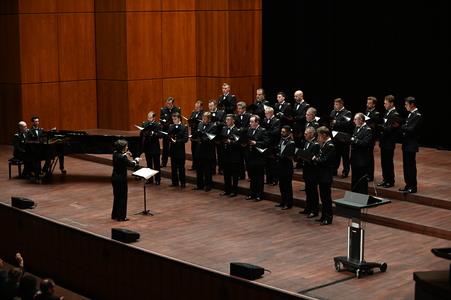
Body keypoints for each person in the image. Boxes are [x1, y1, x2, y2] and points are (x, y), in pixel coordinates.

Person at [111, 139, 140, 221]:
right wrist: (136, 160)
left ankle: (115, 215)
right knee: (122, 197)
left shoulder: (115, 153)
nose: (127, 147)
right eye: (126, 146)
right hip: (121, 179)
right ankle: (121, 217)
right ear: (123, 148)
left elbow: (121, 157)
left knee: (117, 196)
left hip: (114, 177)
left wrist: (125, 154)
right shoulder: (122, 157)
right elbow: (132, 164)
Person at [312, 126, 336, 225]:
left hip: (326, 175)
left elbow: (324, 160)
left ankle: (328, 217)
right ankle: (323, 216)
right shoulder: (325, 144)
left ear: (324, 135)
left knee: (326, 198)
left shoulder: (330, 145)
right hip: (322, 174)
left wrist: (315, 159)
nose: (318, 138)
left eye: (319, 136)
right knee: (323, 196)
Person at [399, 96, 422, 193]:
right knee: (406, 165)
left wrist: (402, 127)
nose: (405, 106)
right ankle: (408, 184)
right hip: (406, 143)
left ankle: (413, 186)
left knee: (411, 166)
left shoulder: (417, 115)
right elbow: (407, 126)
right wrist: (405, 127)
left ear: (412, 104)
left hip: (411, 144)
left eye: (406, 104)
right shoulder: (410, 114)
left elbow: (411, 129)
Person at [377, 95, 401, 188]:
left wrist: (380, 127)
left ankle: (390, 181)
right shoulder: (387, 112)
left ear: (391, 103)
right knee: (384, 162)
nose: (384, 105)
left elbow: (390, 129)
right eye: (384, 103)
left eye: (386, 103)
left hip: (389, 142)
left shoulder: (395, 114)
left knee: (388, 162)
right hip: (384, 141)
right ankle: (385, 179)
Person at [244, 115, 269, 201]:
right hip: (250, 156)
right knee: (252, 176)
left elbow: (266, 142)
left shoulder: (263, 131)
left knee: (259, 177)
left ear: (257, 122)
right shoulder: (249, 130)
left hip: (259, 157)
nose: (250, 123)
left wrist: (256, 143)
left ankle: (259, 195)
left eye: (252, 122)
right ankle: (252, 193)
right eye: (250, 121)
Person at [298, 126, 320, 217]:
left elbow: (314, 157)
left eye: (306, 134)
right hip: (306, 169)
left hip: (312, 171)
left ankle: (314, 210)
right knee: (308, 190)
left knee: (313, 191)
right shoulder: (306, 142)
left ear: (311, 134)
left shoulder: (316, 144)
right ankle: (308, 208)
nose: (304, 135)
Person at [193, 112, 217, 192]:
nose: (203, 120)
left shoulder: (213, 126)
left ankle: (208, 185)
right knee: (199, 169)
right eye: (203, 118)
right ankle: (199, 185)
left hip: (208, 151)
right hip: (199, 149)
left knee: (207, 169)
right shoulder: (200, 124)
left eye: (205, 118)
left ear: (209, 119)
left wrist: (202, 137)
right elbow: (198, 133)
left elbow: (211, 137)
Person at [329, 98, 352, 178]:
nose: (335, 106)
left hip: (343, 138)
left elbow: (347, 124)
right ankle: (334, 170)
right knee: (335, 155)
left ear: (341, 104)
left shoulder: (347, 113)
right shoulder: (333, 112)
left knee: (345, 156)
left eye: (336, 104)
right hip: (334, 138)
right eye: (334, 104)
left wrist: (336, 122)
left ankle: (345, 171)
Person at [350, 113, 373, 194]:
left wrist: (354, 140)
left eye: (355, 119)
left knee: (361, 178)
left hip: (362, 159)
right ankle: (353, 194)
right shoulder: (356, 128)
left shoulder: (367, 130)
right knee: (354, 177)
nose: (354, 121)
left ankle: (362, 195)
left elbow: (365, 143)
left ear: (361, 120)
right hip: (354, 157)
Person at [219, 115, 242, 197]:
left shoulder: (237, 130)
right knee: (226, 174)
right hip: (225, 154)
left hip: (234, 155)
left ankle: (234, 191)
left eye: (228, 120)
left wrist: (230, 142)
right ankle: (227, 190)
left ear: (233, 121)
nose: (227, 121)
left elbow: (239, 143)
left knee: (234, 175)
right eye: (226, 119)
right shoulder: (224, 129)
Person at [274, 126, 296, 209]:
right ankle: (283, 201)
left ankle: (288, 203)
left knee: (287, 186)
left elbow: (289, 155)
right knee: (281, 185)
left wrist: (281, 154)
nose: (281, 133)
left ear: (288, 132)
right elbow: (278, 148)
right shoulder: (281, 140)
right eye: (281, 131)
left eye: (283, 132)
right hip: (280, 165)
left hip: (287, 167)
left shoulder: (291, 142)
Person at [140, 111, 162, 185]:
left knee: (157, 165)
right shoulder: (145, 124)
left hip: (155, 147)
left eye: (150, 117)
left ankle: (157, 179)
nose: (149, 119)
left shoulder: (157, 125)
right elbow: (141, 134)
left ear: (154, 118)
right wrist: (143, 132)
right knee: (149, 164)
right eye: (148, 117)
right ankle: (150, 179)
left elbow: (160, 135)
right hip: (147, 147)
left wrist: (153, 133)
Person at [168, 113, 188, 187]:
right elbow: (168, 136)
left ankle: (182, 183)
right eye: (173, 119)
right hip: (173, 150)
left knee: (181, 168)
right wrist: (170, 139)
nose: (174, 121)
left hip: (180, 150)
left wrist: (177, 141)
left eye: (175, 119)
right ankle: (175, 182)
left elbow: (185, 139)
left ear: (179, 119)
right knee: (173, 167)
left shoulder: (184, 127)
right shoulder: (171, 126)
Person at [160, 97, 181, 167]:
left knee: (174, 147)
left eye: (169, 103)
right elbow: (161, 120)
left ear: (172, 103)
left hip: (174, 131)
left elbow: (179, 120)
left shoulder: (177, 110)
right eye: (167, 103)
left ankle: (175, 162)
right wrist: (166, 124)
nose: (168, 104)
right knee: (165, 147)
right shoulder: (163, 110)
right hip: (166, 131)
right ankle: (163, 162)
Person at [262, 106, 281, 186]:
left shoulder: (276, 121)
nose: (265, 115)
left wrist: (266, 132)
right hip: (266, 144)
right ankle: (269, 179)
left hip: (273, 144)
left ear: (271, 113)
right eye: (265, 113)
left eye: (266, 113)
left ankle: (275, 179)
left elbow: (276, 132)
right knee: (267, 163)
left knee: (273, 164)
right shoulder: (264, 120)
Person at [365, 96, 381, 181]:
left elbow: (374, 126)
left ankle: (370, 175)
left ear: (374, 104)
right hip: (365, 136)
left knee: (370, 157)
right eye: (367, 103)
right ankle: (366, 173)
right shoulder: (367, 111)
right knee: (366, 156)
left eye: (369, 103)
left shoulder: (376, 113)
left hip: (371, 138)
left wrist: (366, 122)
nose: (367, 104)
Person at [208, 99, 226, 175]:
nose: (210, 107)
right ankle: (212, 169)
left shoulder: (221, 113)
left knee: (220, 153)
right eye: (209, 106)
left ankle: (221, 169)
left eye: (211, 106)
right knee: (211, 153)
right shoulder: (207, 113)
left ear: (215, 105)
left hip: (219, 136)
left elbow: (224, 123)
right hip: (211, 136)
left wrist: (217, 123)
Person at [188, 100, 204, 171]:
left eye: (198, 107)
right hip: (193, 133)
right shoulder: (193, 113)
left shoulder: (203, 114)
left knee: (199, 151)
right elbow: (190, 121)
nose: (196, 108)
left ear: (201, 107)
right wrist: (191, 123)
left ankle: (199, 166)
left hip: (199, 135)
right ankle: (194, 165)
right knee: (193, 150)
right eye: (195, 107)